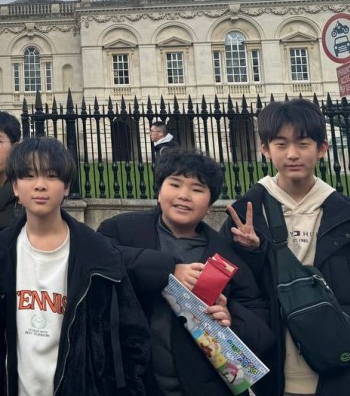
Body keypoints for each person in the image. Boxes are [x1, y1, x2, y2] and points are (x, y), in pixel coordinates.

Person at [221, 99, 350, 396]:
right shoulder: (245, 215)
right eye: (281, 144)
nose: (292, 154)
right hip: (275, 371)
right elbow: (235, 290)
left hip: (345, 369)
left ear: (322, 149)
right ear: (265, 149)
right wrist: (251, 253)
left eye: (303, 144)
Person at [0, 136, 150, 396]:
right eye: (28, 176)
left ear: (66, 187)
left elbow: (131, 338)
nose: (40, 185)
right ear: (15, 187)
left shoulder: (100, 254)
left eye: (51, 176)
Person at [98, 149, 274, 396]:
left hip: (203, 386)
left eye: (197, 189)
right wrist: (168, 270)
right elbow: (100, 261)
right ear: (159, 191)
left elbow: (259, 316)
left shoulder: (225, 254)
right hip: (132, 382)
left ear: (210, 205)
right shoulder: (121, 230)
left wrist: (230, 317)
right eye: (175, 184)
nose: (184, 195)